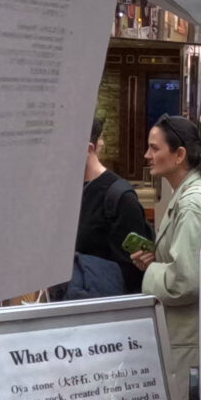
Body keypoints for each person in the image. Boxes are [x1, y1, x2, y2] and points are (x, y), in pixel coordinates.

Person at [131, 114, 201, 386]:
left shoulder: (192, 203)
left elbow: (185, 281)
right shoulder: (188, 196)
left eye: (154, 148)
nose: (147, 156)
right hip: (187, 336)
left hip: (188, 340)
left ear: (179, 155)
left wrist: (152, 270)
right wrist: (158, 259)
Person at [78, 116, 147, 292]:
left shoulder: (120, 198)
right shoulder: (64, 192)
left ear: (88, 149)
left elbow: (134, 273)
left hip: (104, 302)